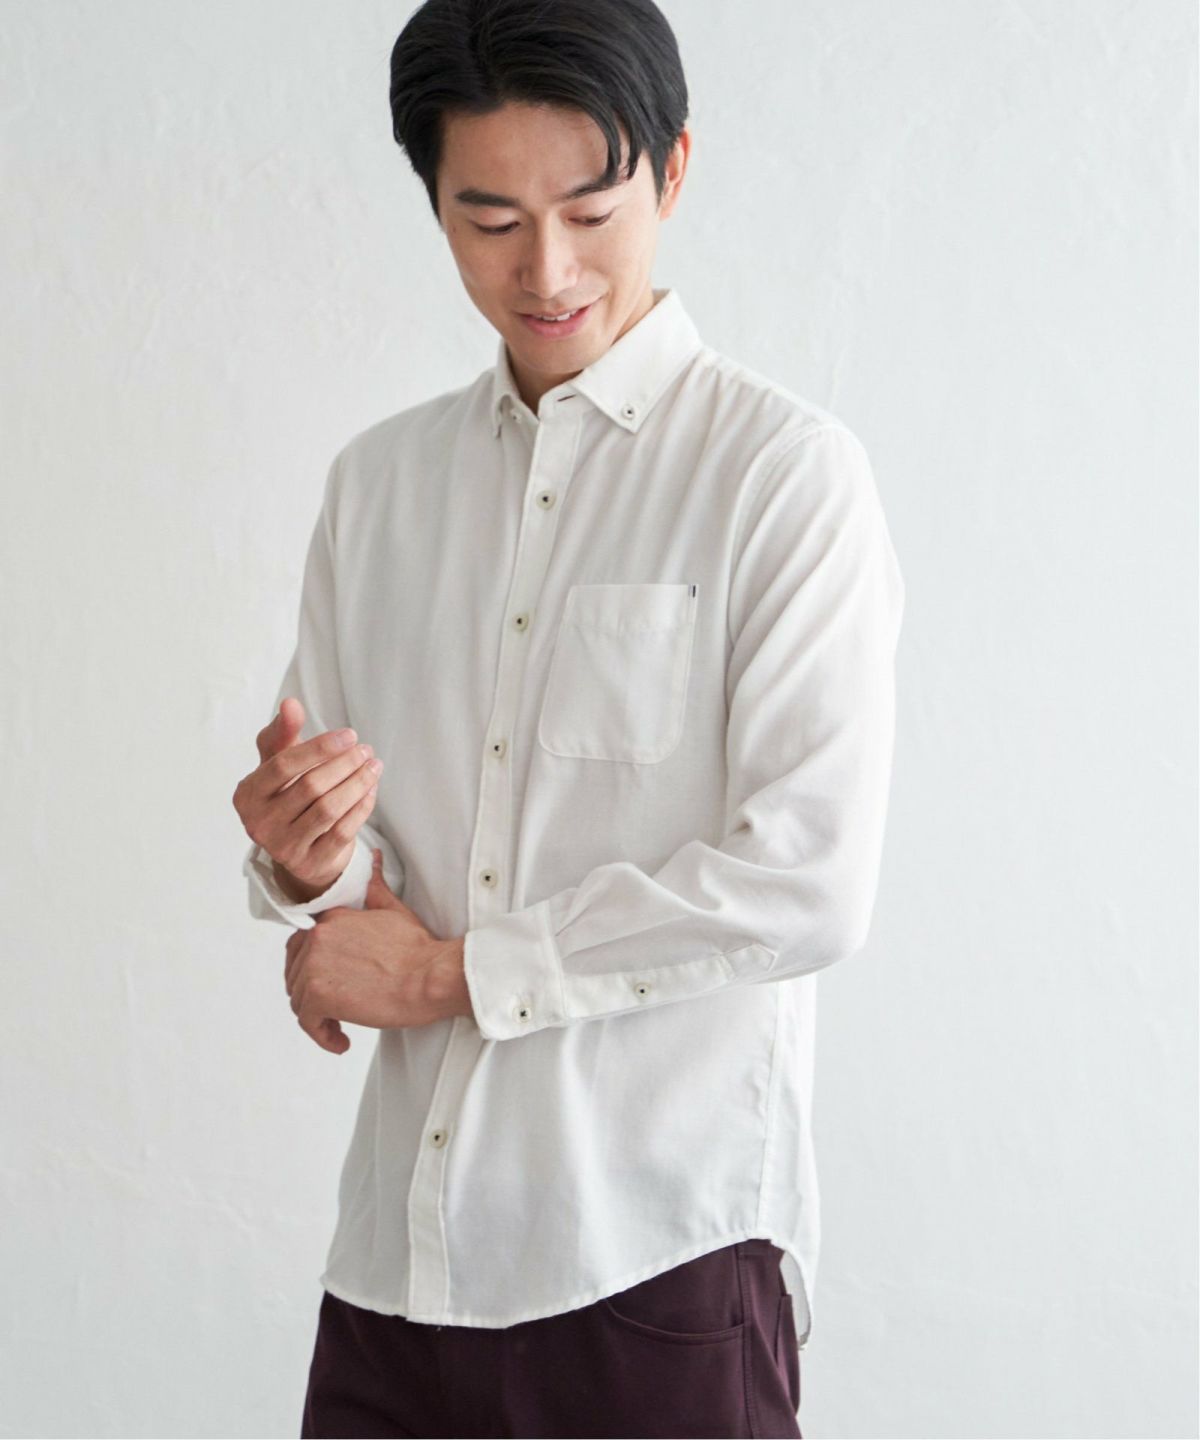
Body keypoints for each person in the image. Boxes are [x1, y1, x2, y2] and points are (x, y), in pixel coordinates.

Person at [232, 0, 905, 1434]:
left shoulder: (782, 479)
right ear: (434, 201)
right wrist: (304, 861)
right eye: (488, 220)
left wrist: (452, 977)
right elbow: (363, 872)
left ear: (673, 170)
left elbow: (806, 881)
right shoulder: (378, 487)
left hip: (653, 1261)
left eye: (591, 212)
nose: (544, 271)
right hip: (397, 1269)